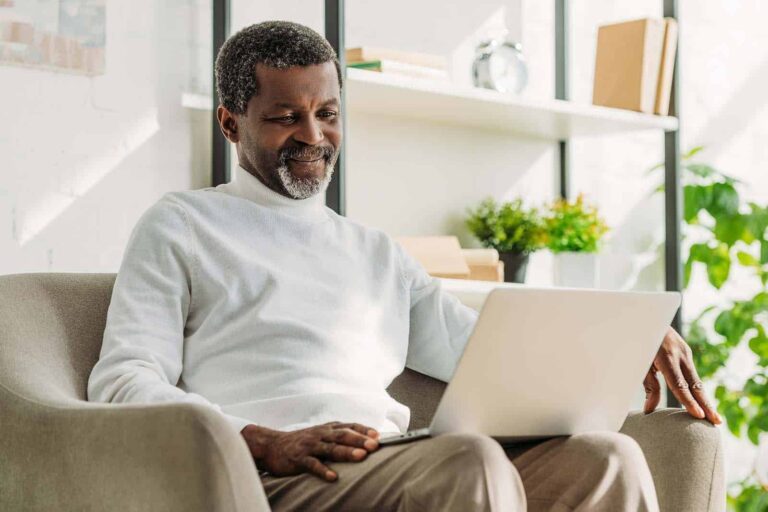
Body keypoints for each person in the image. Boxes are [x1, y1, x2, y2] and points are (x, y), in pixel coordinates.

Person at [88, 20, 721, 512]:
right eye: (286, 117)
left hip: (391, 458)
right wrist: (259, 440)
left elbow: (489, 355)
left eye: (328, 113)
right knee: (468, 462)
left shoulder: (375, 252)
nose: (313, 135)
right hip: (277, 475)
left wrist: (623, 344)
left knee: (607, 457)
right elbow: (122, 380)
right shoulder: (182, 225)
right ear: (231, 123)